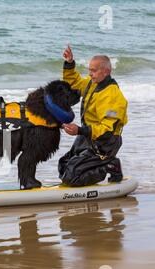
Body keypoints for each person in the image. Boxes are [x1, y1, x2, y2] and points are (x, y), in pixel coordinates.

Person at [58, 45, 128, 186]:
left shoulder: (112, 95)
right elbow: (74, 83)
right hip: (87, 137)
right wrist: (70, 63)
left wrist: (80, 130)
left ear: (106, 72)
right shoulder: (92, 83)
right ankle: (101, 164)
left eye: (94, 71)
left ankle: (110, 165)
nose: (90, 74)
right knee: (64, 165)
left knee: (71, 177)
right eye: (89, 70)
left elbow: (107, 129)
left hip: (106, 143)